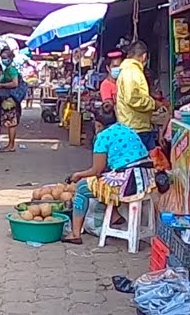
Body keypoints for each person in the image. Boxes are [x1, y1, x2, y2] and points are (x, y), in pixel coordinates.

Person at [61, 103, 154, 245]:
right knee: (103, 181)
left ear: (98, 125)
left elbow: (97, 170)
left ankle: (75, 234)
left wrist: (78, 175)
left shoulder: (103, 137)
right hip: (146, 178)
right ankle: (115, 216)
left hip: (130, 183)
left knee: (81, 187)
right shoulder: (126, 129)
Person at [115, 41, 157, 151]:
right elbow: (133, 98)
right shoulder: (132, 71)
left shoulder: (129, 70)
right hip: (136, 128)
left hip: (133, 125)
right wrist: (154, 104)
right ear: (144, 56)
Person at [0, 47, 22, 151]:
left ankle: (11, 145)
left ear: (10, 58)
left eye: (5, 58)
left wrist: (1, 85)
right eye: (2, 58)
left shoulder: (11, 70)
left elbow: (15, 83)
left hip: (10, 100)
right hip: (7, 99)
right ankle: (10, 145)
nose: (3, 60)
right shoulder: (7, 70)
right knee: (10, 122)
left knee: (11, 122)